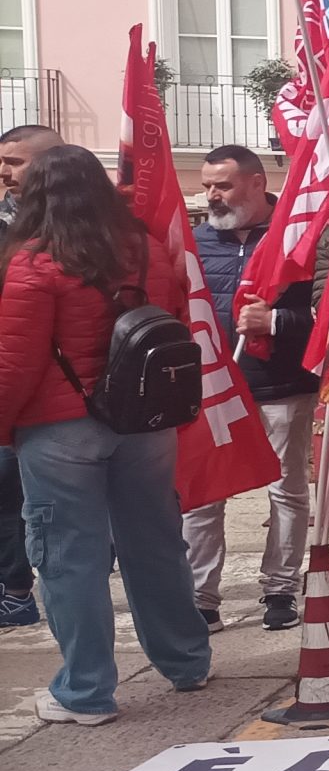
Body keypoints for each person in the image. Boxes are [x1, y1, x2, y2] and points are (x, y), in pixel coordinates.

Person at [0, 145, 213, 724]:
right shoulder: (145, 251)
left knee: (70, 559)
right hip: (143, 421)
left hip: (61, 427)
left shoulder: (35, 263)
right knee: (156, 544)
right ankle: (187, 660)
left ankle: (86, 691)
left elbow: (15, 364)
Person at [180, 144, 317, 634]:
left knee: (286, 489)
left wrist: (275, 320)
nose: (210, 195)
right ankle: (201, 598)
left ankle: (280, 588)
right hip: (213, 387)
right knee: (204, 493)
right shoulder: (195, 243)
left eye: (222, 185)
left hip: (282, 385)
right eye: (207, 185)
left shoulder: (301, 238)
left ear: (257, 184)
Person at [0, 122, 60, 630]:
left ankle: (18, 591)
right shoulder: (7, 224)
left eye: (15, 161)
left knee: (23, 502)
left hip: (48, 397)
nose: (4, 172)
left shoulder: (75, 233)